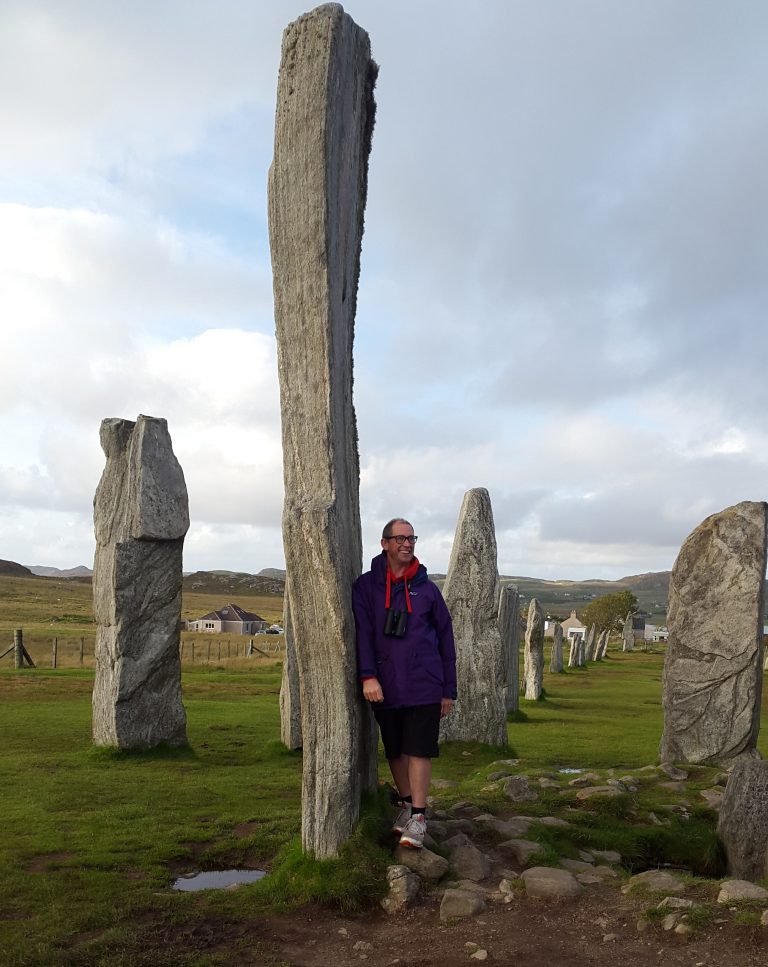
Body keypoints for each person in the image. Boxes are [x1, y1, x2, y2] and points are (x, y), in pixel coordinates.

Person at [352, 517, 457, 849]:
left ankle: (420, 817)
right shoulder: (366, 587)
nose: (407, 544)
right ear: (384, 543)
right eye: (400, 539)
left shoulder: (427, 589)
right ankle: (409, 806)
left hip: (425, 683)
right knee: (395, 749)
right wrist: (368, 675)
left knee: (419, 749)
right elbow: (363, 634)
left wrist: (448, 689)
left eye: (412, 539)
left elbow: (446, 638)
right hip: (385, 682)